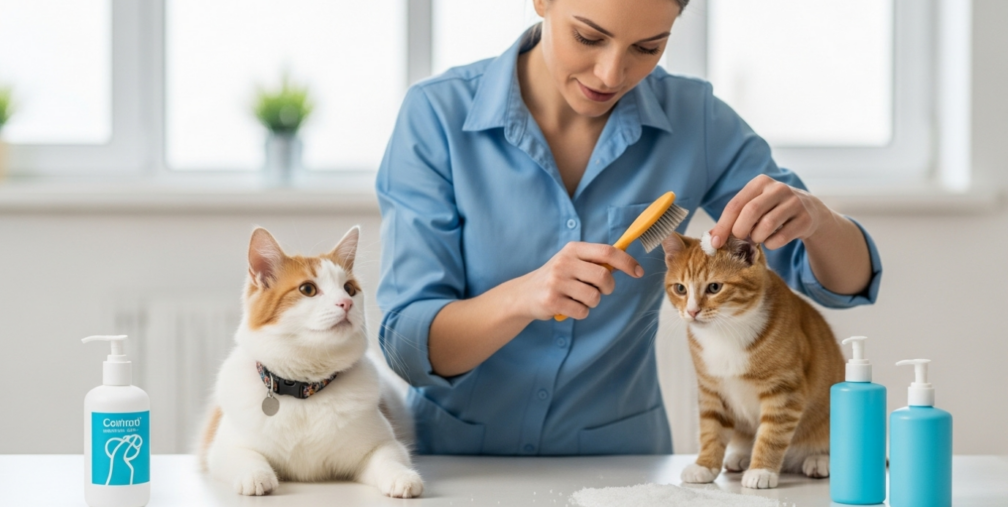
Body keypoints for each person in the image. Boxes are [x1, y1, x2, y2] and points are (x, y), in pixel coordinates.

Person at [375, 0, 882, 455]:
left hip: (625, 464)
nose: (611, 73)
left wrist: (817, 219)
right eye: (589, 37)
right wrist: (524, 298)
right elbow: (407, 347)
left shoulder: (695, 120)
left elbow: (844, 286)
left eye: (647, 46)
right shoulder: (436, 116)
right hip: (454, 467)